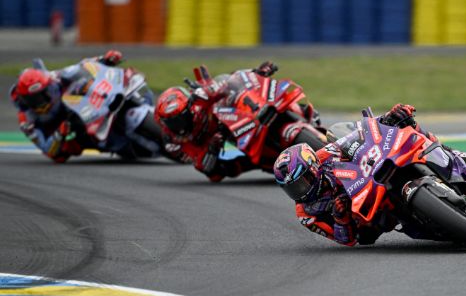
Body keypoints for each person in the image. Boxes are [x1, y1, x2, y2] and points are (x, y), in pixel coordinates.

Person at [273, 103, 466, 246]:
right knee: (384, 233)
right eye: (292, 189)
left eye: (302, 182)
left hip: (368, 179)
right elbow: (346, 240)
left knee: (406, 125)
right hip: (367, 222)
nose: (301, 191)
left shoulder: (324, 155)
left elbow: (356, 136)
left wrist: (386, 119)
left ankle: (450, 153)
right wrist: (342, 218)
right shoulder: (306, 214)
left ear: (313, 167)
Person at [155, 61, 290, 182]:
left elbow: (230, 82)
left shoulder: (198, 102)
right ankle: (273, 162)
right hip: (225, 146)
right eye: (173, 122)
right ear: (164, 122)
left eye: (180, 117)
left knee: (245, 94)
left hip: (233, 117)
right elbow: (202, 166)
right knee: (225, 168)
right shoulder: (174, 141)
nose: (179, 124)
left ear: (188, 108)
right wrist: (212, 148)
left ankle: (302, 113)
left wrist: (256, 73)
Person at [8, 50, 153, 163]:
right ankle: (120, 143)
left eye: (44, 93)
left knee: (95, 84)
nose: (43, 100)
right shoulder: (26, 120)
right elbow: (48, 150)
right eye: (35, 99)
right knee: (69, 150)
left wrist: (105, 59)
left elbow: (81, 66)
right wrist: (59, 134)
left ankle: (139, 102)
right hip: (70, 132)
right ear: (26, 100)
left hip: (84, 106)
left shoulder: (54, 78)